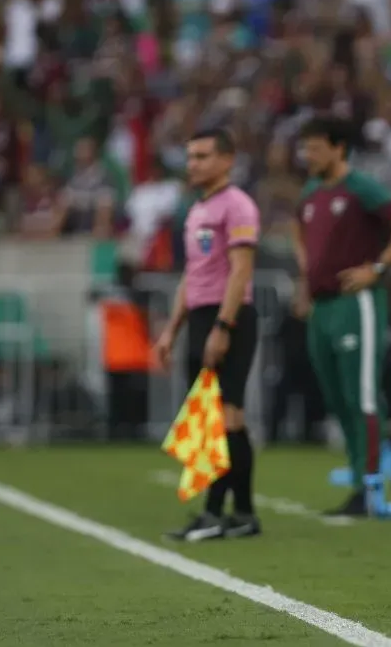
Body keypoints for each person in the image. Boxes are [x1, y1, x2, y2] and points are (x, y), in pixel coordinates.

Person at [292, 116, 391, 517]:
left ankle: (370, 487)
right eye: (305, 148)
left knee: (361, 395)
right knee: (336, 396)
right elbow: (300, 232)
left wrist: (378, 269)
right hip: (323, 305)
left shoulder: (359, 187)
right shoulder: (312, 192)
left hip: (357, 303)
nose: (307, 156)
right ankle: (358, 480)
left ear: (339, 148)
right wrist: (305, 281)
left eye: (315, 148)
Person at [154, 128, 262, 541]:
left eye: (201, 156)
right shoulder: (197, 209)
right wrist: (170, 331)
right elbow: (192, 276)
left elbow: (241, 271)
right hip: (202, 318)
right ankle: (235, 514)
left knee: (226, 416)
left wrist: (222, 326)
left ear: (227, 160)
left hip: (228, 317)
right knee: (212, 417)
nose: (193, 163)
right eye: (190, 156)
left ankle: (225, 512)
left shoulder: (237, 206)